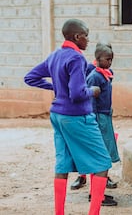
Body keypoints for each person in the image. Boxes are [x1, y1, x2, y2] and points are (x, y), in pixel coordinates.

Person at [24, 19, 112, 215]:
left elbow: (30, 77)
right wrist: (93, 90)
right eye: (86, 35)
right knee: (103, 163)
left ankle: (59, 212)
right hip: (76, 116)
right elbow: (77, 94)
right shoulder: (76, 58)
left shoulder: (56, 55)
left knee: (62, 163)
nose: (88, 40)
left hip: (57, 115)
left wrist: (56, 87)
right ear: (77, 36)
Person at [71, 42, 118, 197]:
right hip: (98, 118)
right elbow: (91, 102)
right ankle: (96, 194)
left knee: (105, 151)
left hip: (105, 116)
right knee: (100, 153)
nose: (110, 62)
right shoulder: (94, 76)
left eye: (111, 59)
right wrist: (95, 120)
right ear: (97, 59)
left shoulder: (107, 73)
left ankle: (99, 191)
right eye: (107, 59)